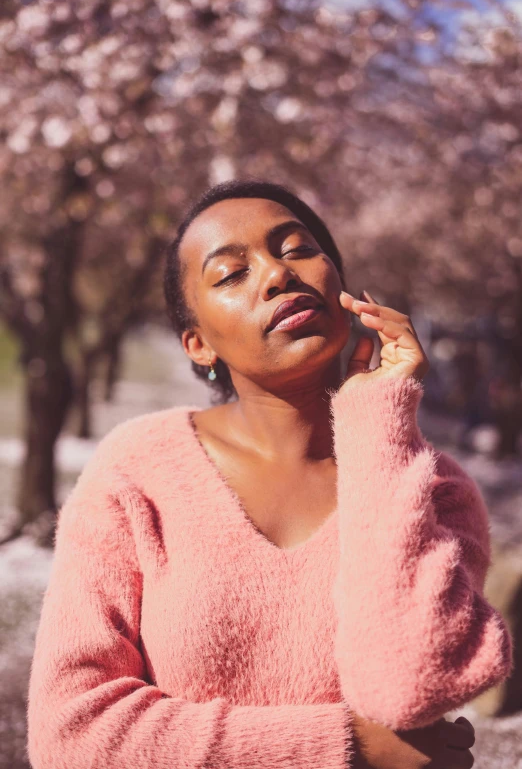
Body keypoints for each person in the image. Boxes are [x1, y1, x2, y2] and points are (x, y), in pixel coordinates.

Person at [27, 179, 513, 769]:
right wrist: (349, 745)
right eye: (231, 274)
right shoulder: (137, 470)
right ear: (198, 344)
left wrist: (380, 425)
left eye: (295, 248)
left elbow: (407, 687)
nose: (277, 275)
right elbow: (71, 734)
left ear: (344, 288)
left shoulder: (435, 490)